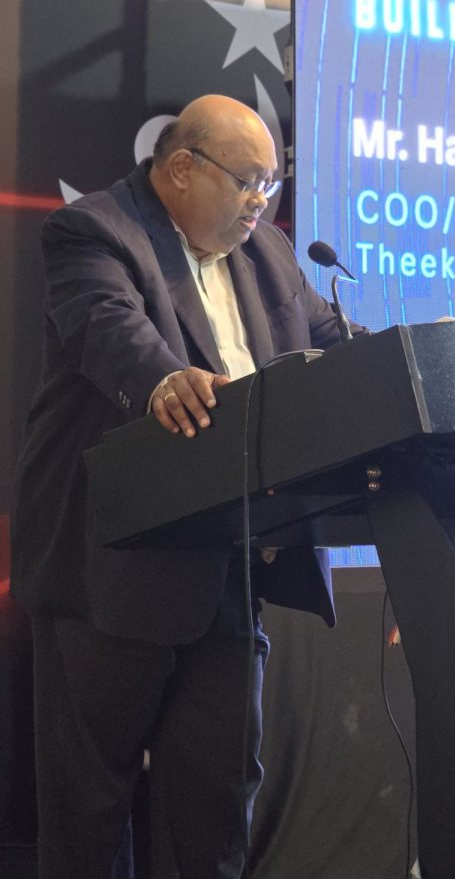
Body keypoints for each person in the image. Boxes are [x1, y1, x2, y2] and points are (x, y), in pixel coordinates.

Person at [11, 95, 362, 879]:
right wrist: (164, 380)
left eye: (271, 184)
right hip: (108, 573)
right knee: (89, 817)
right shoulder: (97, 232)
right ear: (181, 168)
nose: (260, 201)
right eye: (247, 181)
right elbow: (111, 329)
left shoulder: (269, 254)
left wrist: (405, 360)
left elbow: (335, 348)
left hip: (229, 572)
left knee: (214, 811)